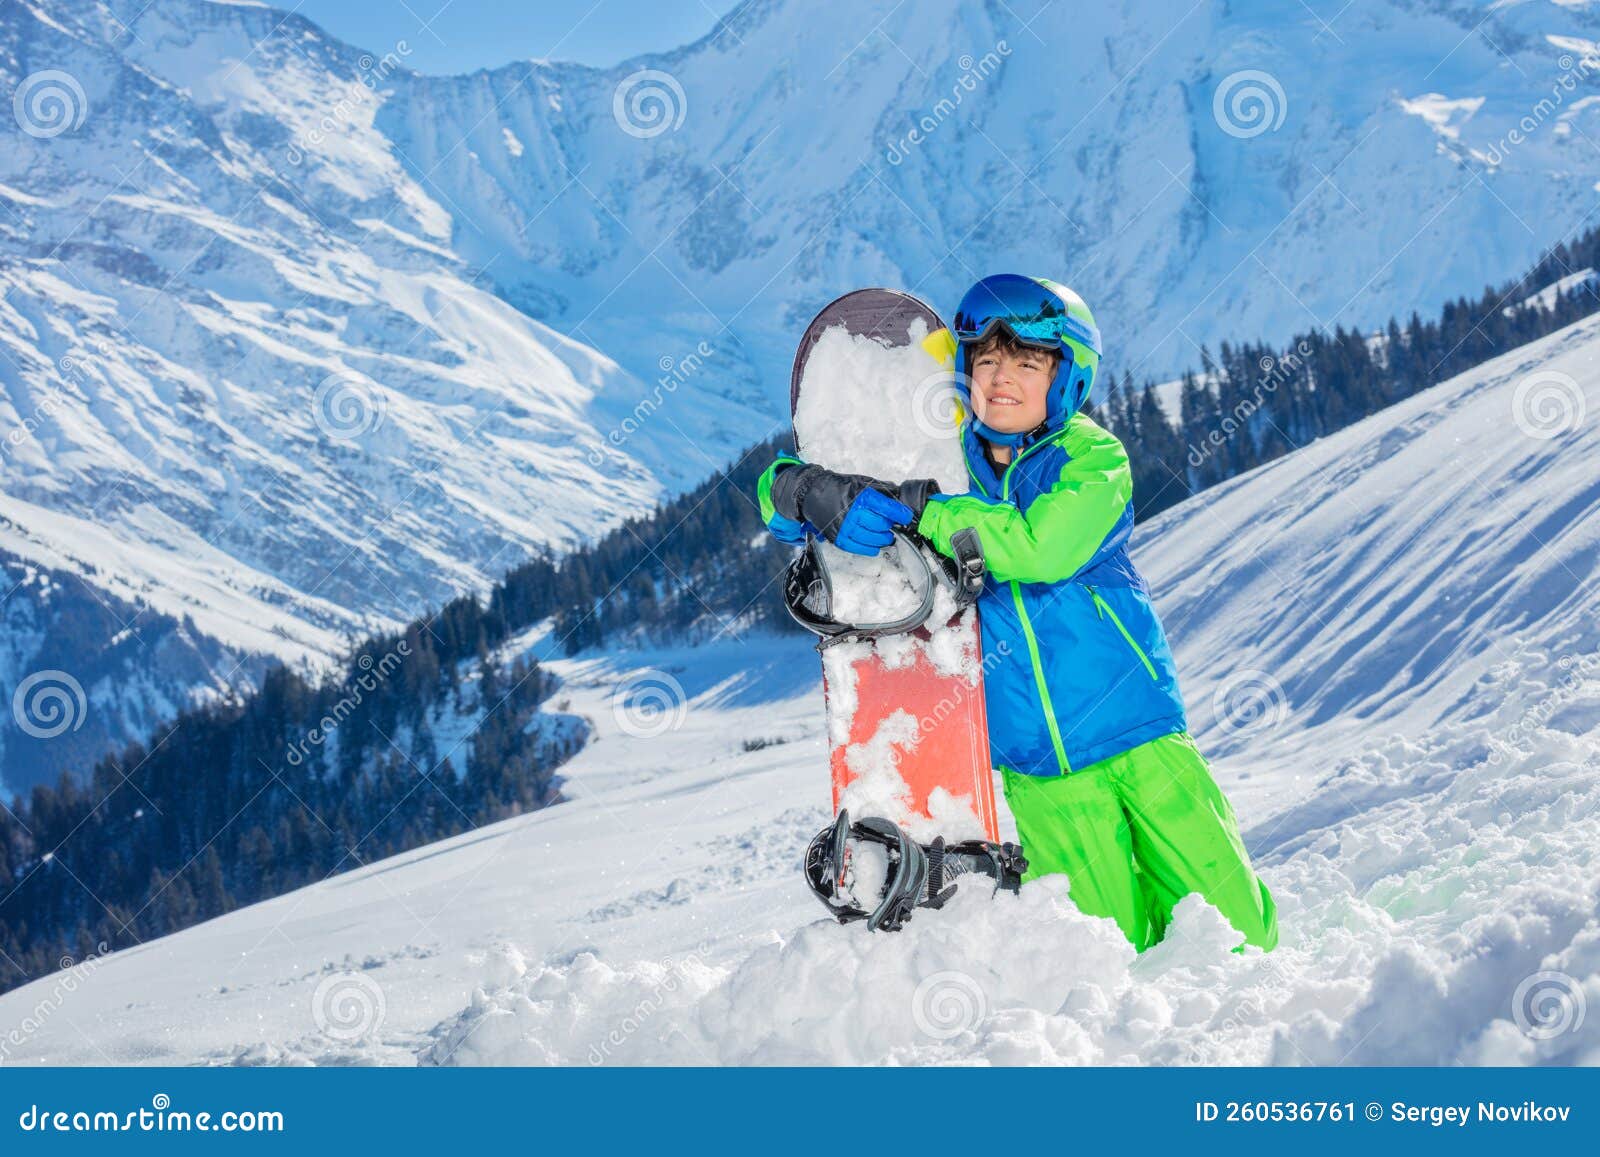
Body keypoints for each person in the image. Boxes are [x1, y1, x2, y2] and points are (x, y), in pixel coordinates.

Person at [756, 274, 1277, 952]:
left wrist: (930, 510)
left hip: (1140, 737)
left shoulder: (1091, 460)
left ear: (1065, 377)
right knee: (1106, 948)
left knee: (1232, 923)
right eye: (987, 360)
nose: (1002, 378)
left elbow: (1041, 545)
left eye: (1028, 361)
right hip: (1038, 769)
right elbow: (773, 494)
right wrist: (807, 491)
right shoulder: (943, 462)